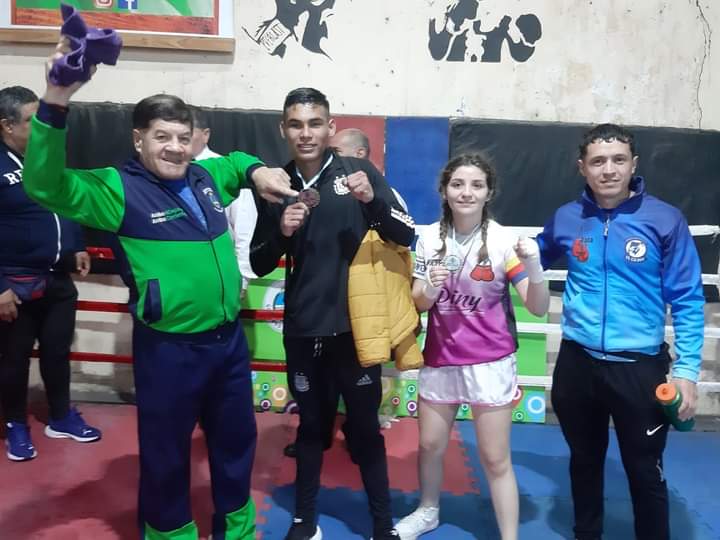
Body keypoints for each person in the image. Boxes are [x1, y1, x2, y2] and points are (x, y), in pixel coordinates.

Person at [22, 43, 296, 540]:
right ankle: (171, 534)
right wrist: (56, 98)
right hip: (170, 351)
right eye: (162, 136)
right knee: (167, 455)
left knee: (237, 443)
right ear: (139, 139)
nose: (175, 148)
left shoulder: (206, 176)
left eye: (183, 138)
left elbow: (237, 162)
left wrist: (257, 171)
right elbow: (44, 185)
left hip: (228, 345)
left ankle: (236, 531)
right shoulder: (116, 189)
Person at [251, 87, 415, 540]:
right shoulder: (275, 184)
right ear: (284, 129)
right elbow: (259, 261)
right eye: (296, 124)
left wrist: (372, 202)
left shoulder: (358, 172)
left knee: (365, 430)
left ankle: (382, 525)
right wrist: (282, 233)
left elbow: (406, 234)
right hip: (304, 328)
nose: (305, 133)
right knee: (310, 427)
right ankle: (304, 521)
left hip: (355, 329)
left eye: (314, 123)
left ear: (330, 127)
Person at [536, 123, 705, 540]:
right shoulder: (567, 218)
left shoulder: (665, 219)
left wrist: (686, 371)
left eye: (618, 160)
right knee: (583, 462)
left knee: (645, 471)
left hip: (639, 368)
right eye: (597, 161)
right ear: (582, 167)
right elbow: (528, 259)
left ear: (633, 164)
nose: (608, 170)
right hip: (577, 364)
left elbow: (687, 298)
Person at [395, 154, 549, 540]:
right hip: (441, 358)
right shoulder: (429, 238)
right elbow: (418, 301)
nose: (466, 192)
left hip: (490, 362)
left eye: (476, 185)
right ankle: (427, 511)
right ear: (444, 190)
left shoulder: (503, 241)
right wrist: (430, 287)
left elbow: (538, 306)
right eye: (458, 184)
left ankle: (509, 536)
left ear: (488, 192)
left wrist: (535, 268)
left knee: (495, 458)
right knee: (430, 445)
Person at [281, 126, 408, 460]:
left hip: (362, 310)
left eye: (336, 151)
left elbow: (404, 236)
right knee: (317, 391)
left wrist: (371, 201)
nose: (329, 157)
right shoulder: (299, 183)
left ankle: (360, 435)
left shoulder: (376, 186)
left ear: (359, 155)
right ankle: (317, 434)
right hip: (313, 311)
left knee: (361, 397)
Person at [0, 85, 99, 463]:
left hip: (57, 279)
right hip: (15, 284)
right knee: (13, 360)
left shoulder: (48, 157)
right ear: (7, 126)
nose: (42, 127)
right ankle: (15, 424)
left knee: (57, 353)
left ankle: (60, 417)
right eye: (32, 120)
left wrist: (77, 245)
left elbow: (65, 204)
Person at [189, 105, 258, 298]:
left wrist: (243, 278)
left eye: (187, 132)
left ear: (205, 135)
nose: (180, 140)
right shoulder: (164, 172)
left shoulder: (227, 170)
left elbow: (245, 228)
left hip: (219, 276)